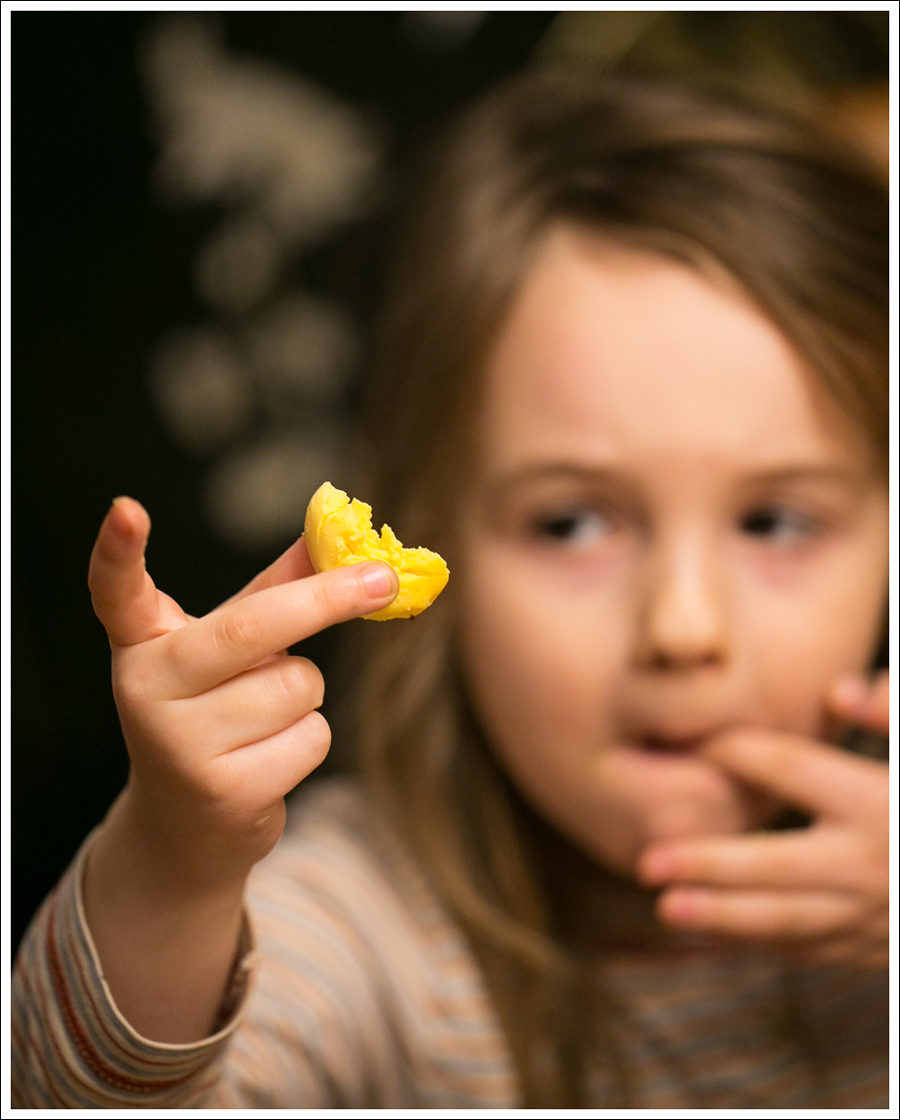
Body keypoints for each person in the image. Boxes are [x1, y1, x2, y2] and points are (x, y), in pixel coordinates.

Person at [12, 70, 888, 1108]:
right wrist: (172, 864)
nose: (684, 627)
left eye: (775, 522)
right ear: (433, 527)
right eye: (572, 524)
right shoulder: (364, 926)